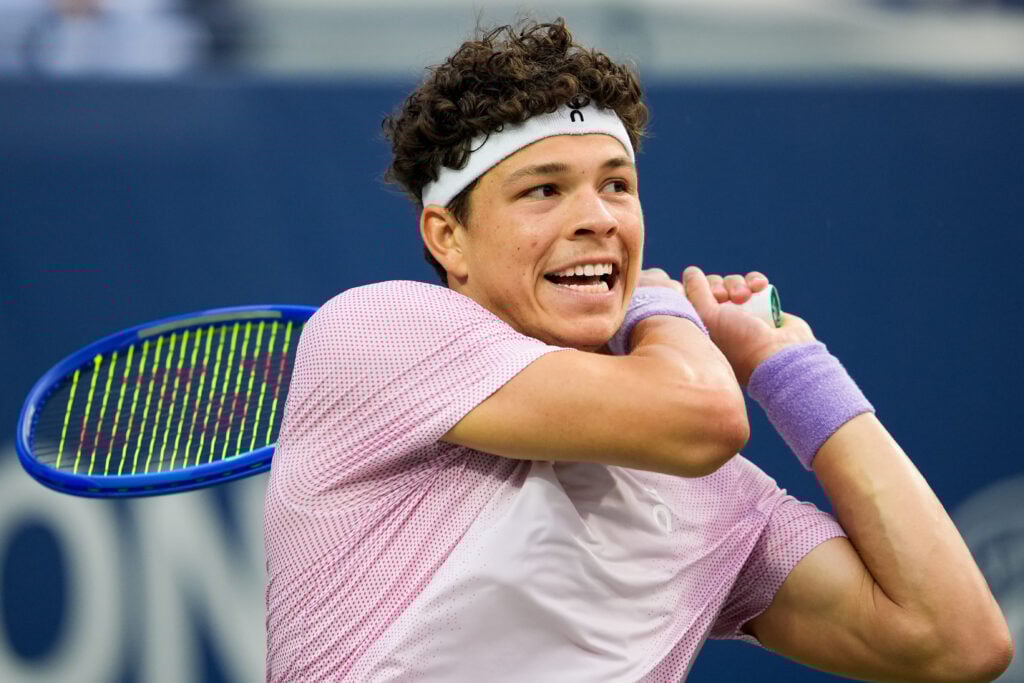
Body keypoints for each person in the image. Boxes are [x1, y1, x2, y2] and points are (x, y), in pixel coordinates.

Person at [263, 18, 1013, 682]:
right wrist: (659, 301)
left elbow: (956, 642)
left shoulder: (711, 494)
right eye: (543, 190)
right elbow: (706, 417)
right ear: (446, 237)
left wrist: (792, 370)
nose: (598, 217)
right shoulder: (376, 330)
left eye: (616, 185)